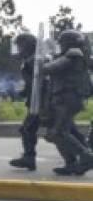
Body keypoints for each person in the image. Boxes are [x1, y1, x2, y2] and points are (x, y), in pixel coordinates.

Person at [43, 30, 93, 176]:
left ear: (68, 43)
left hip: (68, 100)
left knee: (58, 133)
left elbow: (49, 68)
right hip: (64, 100)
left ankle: (87, 157)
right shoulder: (71, 55)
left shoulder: (73, 54)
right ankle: (71, 163)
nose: (60, 45)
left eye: (62, 43)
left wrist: (42, 62)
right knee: (61, 133)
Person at [9, 33, 43, 170]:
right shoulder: (34, 60)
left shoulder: (32, 62)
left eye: (20, 45)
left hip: (39, 102)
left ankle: (29, 158)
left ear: (27, 46)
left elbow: (34, 85)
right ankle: (82, 155)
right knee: (65, 129)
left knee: (28, 129)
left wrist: (19, 93)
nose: (18, 49)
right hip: (39, 100)